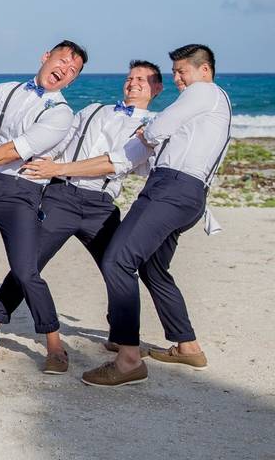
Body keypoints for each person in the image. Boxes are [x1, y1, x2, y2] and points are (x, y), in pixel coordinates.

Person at [0, 60, 163, 365]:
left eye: (142, 79)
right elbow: (61, 141)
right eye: (130, 77)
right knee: (29, 264)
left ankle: (121, 337)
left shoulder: (153, 128)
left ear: (156, 88)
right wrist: (41, 163)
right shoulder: (92, 110)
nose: (133, 82)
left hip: (101, 206)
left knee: (120, 269)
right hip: (61, 197)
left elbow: (117, 163)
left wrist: (59, 167)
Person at [83, 44, 231, 387]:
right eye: (176, 72)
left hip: (171, 188)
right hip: (191, 196)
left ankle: (128, 359)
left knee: (117, 260)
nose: (178, 78)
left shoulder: (204, 92)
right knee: (152, 267)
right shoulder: (213, 105)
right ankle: (187, 344)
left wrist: (146, 134)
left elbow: (156, 129)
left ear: (204, 70)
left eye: (183, 71)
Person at [0, 41, 87, 372]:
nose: (64, 70)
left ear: (72, 80)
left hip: (23, 194)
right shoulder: (7, 91)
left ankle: (53, 342)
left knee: (26, 270)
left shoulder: (61, 114)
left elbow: (14, 149)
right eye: (62, 61)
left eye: (73, 70)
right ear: (45, 57)